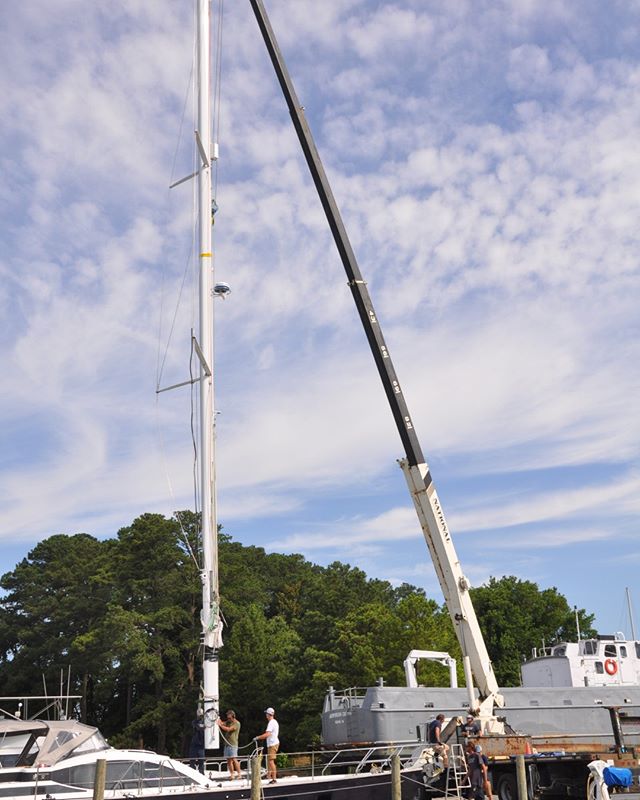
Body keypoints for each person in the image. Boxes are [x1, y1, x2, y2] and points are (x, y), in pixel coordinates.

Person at [254, 707, 279, 784]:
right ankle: (269, 776)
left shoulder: (271, 722)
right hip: (273, 743)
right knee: (269, 761)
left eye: (266, 714)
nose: (266, 715)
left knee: (271, 761)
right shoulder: (274, 722)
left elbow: (267, 734)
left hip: (272, 744)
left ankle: (274, 779)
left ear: (269, 714)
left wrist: (258, 737)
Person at [217, 709, 241, 779]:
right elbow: (222, 723)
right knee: (228, 760)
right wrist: (218, 720)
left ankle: (239, 774)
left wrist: (220, 726)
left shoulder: (237, 723)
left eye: (230, 718)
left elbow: (229, 729)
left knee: (234, 759)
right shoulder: (228, 721)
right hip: (227, 744)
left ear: (233, 716)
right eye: (228, 717)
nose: (228, 719)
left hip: (233, 744)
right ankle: (232, 774)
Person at [188, 708, 205, 774]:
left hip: (201, 745)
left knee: (201, 760)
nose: (200, 716)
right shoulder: (194, 721)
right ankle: (192, 773)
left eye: (201, 715)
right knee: (192, 760)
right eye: (199, 715)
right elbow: (198, 728)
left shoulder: (205, 721)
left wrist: (204, 727)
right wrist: (204, 727)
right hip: (194, 744)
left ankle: (202, 773)